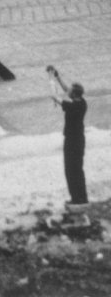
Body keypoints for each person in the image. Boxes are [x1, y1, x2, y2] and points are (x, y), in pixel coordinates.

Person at [47, 66, 88, 206]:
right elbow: (66, 90)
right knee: (77, 170)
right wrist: (58, 77)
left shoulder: (72, 107)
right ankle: (81, 198)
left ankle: (77, 200)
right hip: (79, 140)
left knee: (71, 170)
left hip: (72, 142)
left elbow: (54, 96)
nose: (67, 91)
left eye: (70, 91)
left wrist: (51, 80)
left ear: (74, 95)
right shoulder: (81, 103)